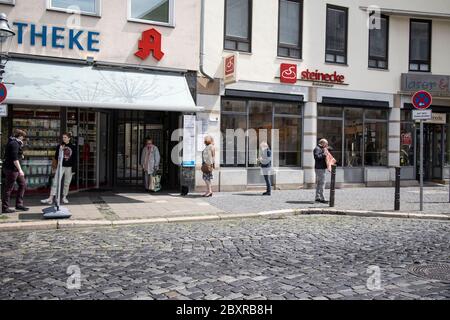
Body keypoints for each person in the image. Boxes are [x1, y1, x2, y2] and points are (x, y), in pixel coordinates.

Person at [41, 133, 76, 205]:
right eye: (63, 137)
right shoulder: (60, 146)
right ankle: (51, 198)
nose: (64, 139)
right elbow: (56, 157)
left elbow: (75, 158)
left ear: (69, 138)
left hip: (69, 167)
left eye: (65, 137)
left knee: (67, 183)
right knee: (55, 181)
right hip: (61, 166)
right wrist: (60, 150)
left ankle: (64, 197)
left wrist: (74, 169)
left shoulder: (73, 147)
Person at [2, 129, 29, 213]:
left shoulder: (14, 142)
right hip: (12, 169)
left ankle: (19, 205)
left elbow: (15, 154)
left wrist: (21, 155)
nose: (23, 139)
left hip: (14, 169)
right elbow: (14, 159)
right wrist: (20, 170)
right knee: (9, 188)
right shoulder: (14, 144)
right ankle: (5, 207)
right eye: (23, 137)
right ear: (20, 136)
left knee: (23, 184)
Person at [314, 138, 329, 204]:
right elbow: (317, 157)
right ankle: (322, 198)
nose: (327, 145)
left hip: (321, 168)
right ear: (322, 143)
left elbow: (331, 148)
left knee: (319, 183)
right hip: (319, 168)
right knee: (322, 183)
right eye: (326, 143)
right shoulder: (317, 149)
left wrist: (325, 150)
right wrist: (324, 154)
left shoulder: (322, 148)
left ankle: (317, 197)